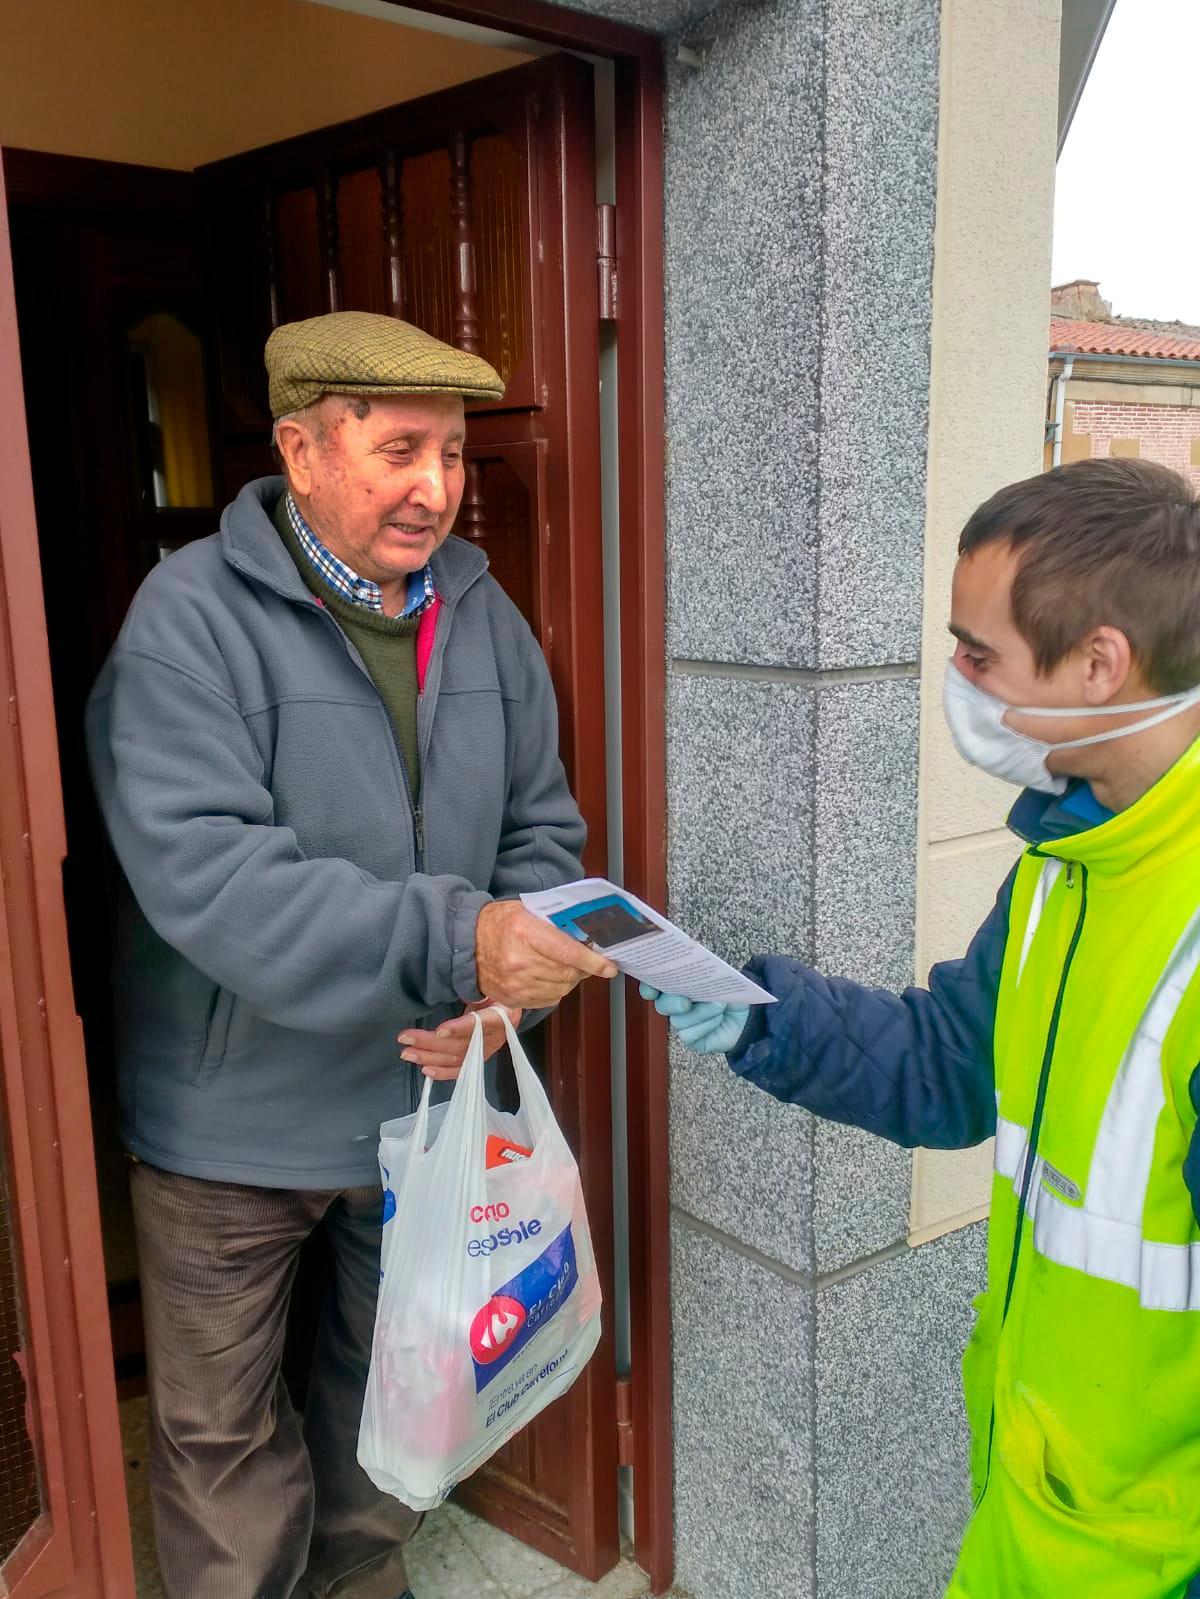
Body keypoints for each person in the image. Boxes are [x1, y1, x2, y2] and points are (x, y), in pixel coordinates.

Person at [86, 310, 614, 1599]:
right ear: (302, 449)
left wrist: (504, 1001)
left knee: (392, 1409)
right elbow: (210, 875)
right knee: (222, 1441)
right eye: (398, 451)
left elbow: (542, 835)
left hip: (415, 1108)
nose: (435, 487)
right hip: (230, 1125)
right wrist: (461, 940)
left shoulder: (483, 617)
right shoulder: (188, 620)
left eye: (451, 453)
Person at [645, 458, 1200, 1598]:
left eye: (977, 651)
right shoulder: (1071, 855)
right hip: (1036, 1509)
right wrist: (764, 1020)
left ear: (1100, 664)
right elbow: (956, 1066)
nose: (954, 674)